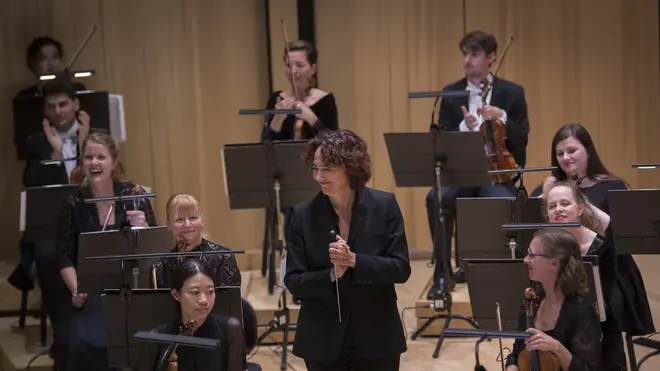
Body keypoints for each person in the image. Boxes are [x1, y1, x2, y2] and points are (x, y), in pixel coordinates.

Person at [284, 129, 411, 370]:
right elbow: (294, 280)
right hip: (322, 336)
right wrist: (333, 275)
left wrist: (355, 261)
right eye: (315, 168)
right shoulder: (301, 215)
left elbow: (401, 269)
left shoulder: (384, 206)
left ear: (350, 167)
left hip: (378, 334)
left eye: (327, 169)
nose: (319, 176)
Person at [425, 30, 530, 299]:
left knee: (502, 202)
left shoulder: (512, 93)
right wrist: (465, 126)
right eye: (465, 54)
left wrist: (502, 116)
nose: (467, 60)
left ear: (491, 57)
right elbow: (440, 138)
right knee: (436, 198)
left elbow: (522, 138)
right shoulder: (450, 93)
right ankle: (442, 272)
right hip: (461, 175)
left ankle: (501, 276)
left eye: (474, 54)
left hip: (496, 173)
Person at [532, 123, 655, 338]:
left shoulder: (612, 186)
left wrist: (575, 197)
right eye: (560, 153)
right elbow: (537, 236)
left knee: (600, 312)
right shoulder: (550, 189)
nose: (565, 158)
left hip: (610, 272)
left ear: (588, 151)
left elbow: (616, 234)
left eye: (572, 150)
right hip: (563, 274)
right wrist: (545, 196)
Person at [8, 76, 94, 366]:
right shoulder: (36, 142)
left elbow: (111, 176)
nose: (58, 111)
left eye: (63, 104)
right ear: (45, 110)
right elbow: (31, 181)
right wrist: (56, 153)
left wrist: (83, 146)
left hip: (91, 222)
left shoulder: (96, 135)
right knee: (47, 254)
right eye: (51, 106)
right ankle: (64, 335)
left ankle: (95, 335)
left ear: (76, 105)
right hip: (54, 227)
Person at [56, 132, 157, 371]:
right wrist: (77, 289)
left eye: (101, 157)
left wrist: (144, 228)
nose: (94, 163)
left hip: (132, 287)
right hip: (91, 290)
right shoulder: (73, 202)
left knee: (140, 339)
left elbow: (155, 248)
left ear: (114, 162)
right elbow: (63, 256)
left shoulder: (135, 195)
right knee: (84, 341)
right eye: (89, 157)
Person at [544, 181, 626, 370]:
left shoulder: (604, 248)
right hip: (560, 324)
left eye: (565, 203)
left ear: (580, 209)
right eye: (552, 206)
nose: (558, 209)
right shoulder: (544, 248)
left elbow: (605, 301)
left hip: (599, 329)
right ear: (547, 216)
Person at [505, 228, 602, 371]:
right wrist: (512, 366)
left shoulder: (581, 312)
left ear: (554, 263)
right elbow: (516, 352)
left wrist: (557, 348)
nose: (525, 260)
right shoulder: (531, 303)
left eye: (532, 255)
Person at [136, 259, 245, 371]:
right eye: (195, 292)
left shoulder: (230, 330)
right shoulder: (157, 336)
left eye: (210, 292)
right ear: (176, 294)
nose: (204, 300)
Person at [151, 193, 241, 289]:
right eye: (179, 219)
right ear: (168, 224)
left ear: (202, 220)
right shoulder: (160, 267)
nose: (187, 224)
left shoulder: (224, 258)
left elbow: (229, 302)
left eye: (193, 218)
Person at [261, 39, 338, 142]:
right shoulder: (276, 99)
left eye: (300, 65)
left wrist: (311, 118)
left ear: (313, 69)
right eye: (289, 66)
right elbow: (264, 145)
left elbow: (335, 145)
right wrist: (277, 119)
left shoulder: (325, 100)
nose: (293, 71)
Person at [16, 36, 87, 97]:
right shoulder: (25, 96)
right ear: (33, 63)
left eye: (55, 57)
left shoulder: (77, 89)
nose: (51, 63)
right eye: (43, 58)